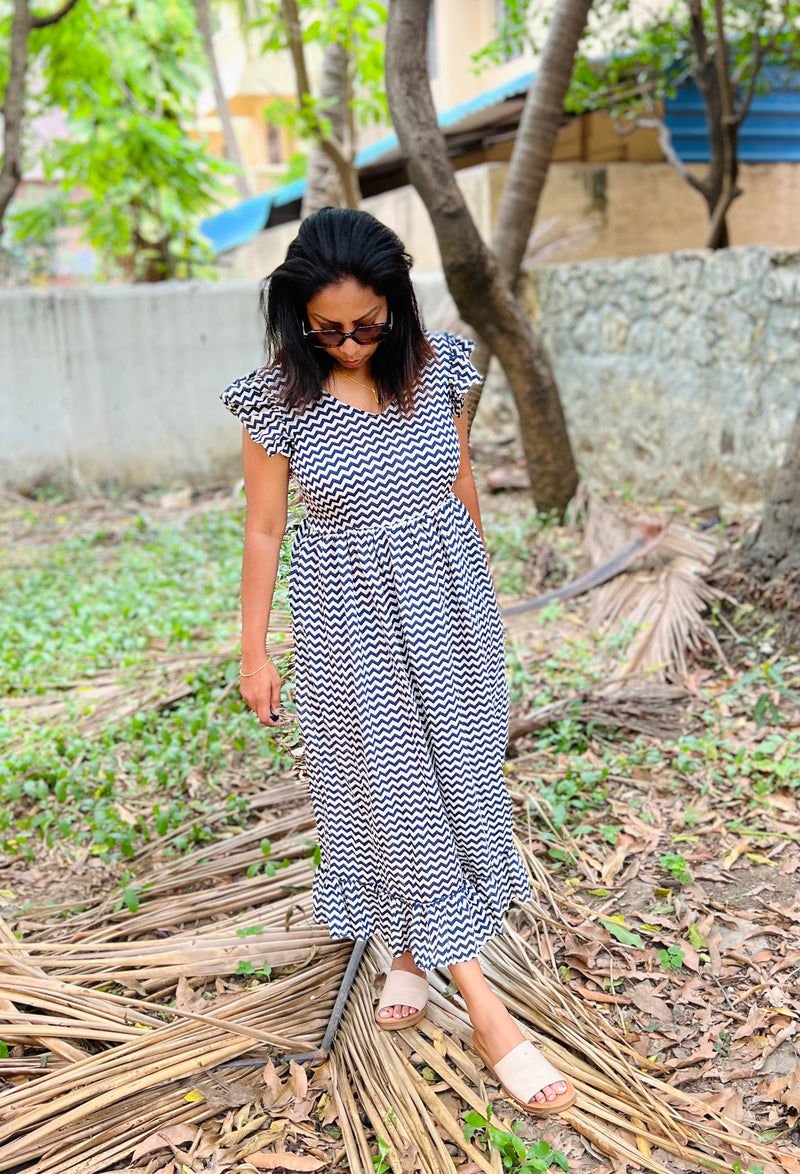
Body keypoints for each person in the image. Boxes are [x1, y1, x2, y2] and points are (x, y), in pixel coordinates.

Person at [220, 207, 575, 1115]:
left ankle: (412, 949)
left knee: (456, 782)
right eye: (325, 327)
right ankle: (491, 1014)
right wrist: (255, 651)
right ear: (298, 316)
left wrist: (481, 598)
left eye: (366, 325)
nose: (346, 342)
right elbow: (264, 530)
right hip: (349, 621)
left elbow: (458, 483)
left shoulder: (439, 367)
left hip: (449, 605)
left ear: (397, 306)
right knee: (397, 796)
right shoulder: (278, 403)